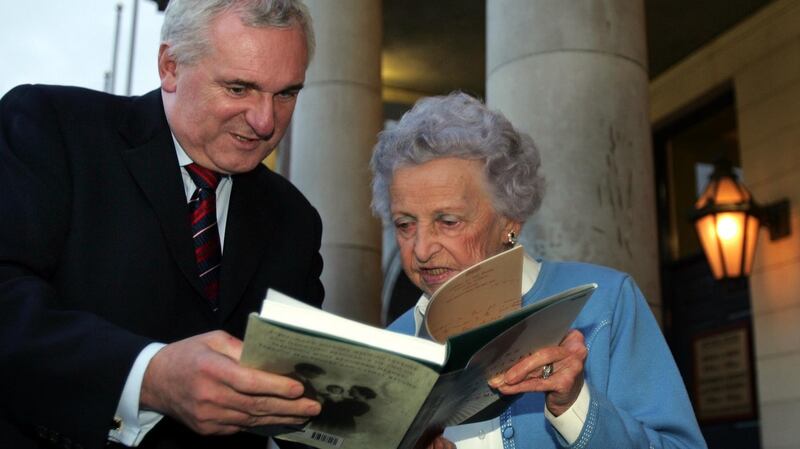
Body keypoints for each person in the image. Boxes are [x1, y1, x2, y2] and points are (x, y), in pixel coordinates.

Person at [0, 1, 326, 448]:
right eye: (238, 88)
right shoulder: (51, 127)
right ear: (170, 66)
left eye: (286, 93)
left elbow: (298, 390)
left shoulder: (296, 221)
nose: (265, 121)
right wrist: (147, 376)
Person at [370, 92, 708, 449]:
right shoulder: (391, 347)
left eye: (449, 221)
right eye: (405, 224)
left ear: (510, 220)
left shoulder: (605, 304)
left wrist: (576, 408)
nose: (421, 249)